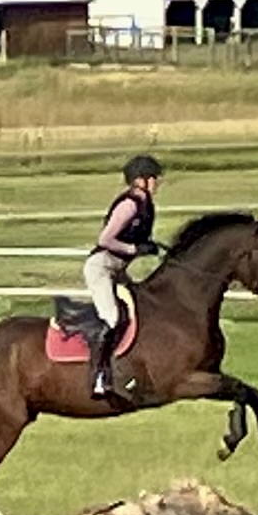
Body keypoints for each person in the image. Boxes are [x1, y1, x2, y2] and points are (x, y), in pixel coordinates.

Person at [79, 153, 166, 403]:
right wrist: (133, 250)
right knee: (113, 318)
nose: (157, 182)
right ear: (141, 180)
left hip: (118, 269)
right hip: (102, 267)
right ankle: (99, 376)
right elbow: (105, 239)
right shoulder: (129, 204)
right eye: (154, 178)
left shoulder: (146, 205)